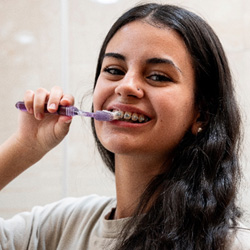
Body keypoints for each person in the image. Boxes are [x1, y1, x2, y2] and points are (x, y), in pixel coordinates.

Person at [0, 3, 250, 250]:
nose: (126, 86)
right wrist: (25, 145)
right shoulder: (57, 228)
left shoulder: (231, 244)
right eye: (113, 70)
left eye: (158, 76)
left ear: (202, 114)